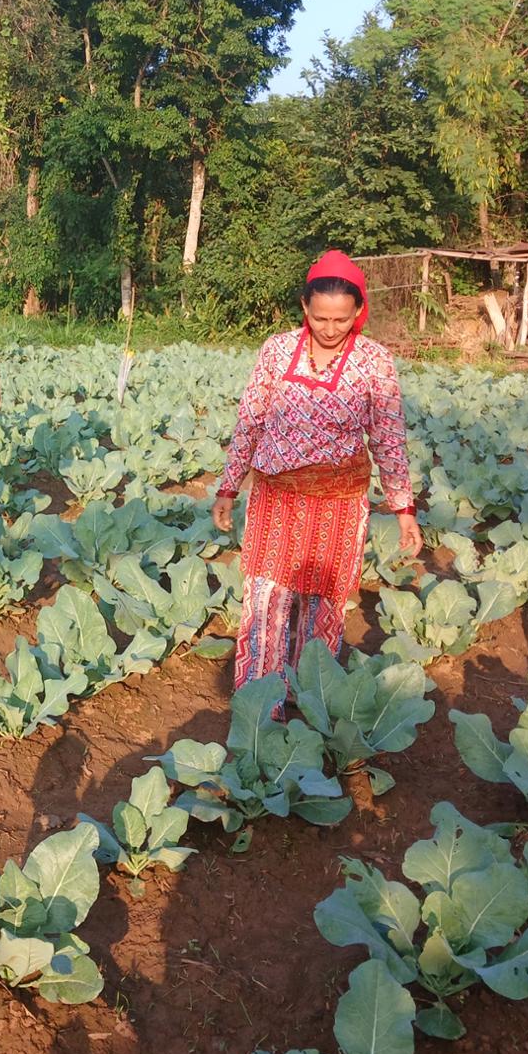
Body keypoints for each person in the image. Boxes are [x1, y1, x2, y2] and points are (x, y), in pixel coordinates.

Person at [210, 249, 422, 719]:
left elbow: (389, 439)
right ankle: (259, 706)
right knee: (266, 597)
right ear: (305, 308)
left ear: (358, 312)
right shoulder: (276, 350)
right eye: (321, 317)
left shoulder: (374, 362)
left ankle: (309, 697)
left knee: (323, 603)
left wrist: (404, 509)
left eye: (341, 319)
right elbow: (250, 421)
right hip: (276, 498)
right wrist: (228, 487)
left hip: (338, 504)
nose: (330, 328)